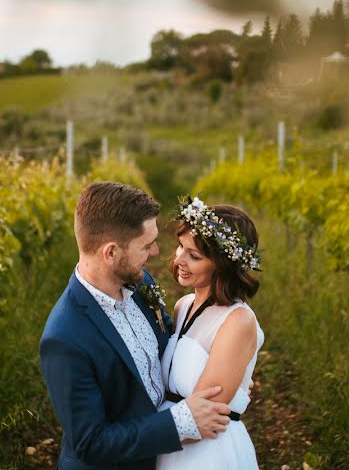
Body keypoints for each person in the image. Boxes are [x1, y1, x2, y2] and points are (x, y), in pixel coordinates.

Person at [39, 182, 232, 470]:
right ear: (111, 253)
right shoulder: (64, 338)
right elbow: (91, 443)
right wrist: (181, 424)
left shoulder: (142, 285)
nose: (156, 251)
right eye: (146, 245)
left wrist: (224, 368)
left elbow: (169, 344)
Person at [156, 196, 264, 470]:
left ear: (222, 265)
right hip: (168, 444)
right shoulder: (183, 307)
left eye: (194, 255)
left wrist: (130, 438)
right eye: (180, 246)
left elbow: (201, 417)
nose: (179, 259)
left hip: (205, 454)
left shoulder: (237, 321)